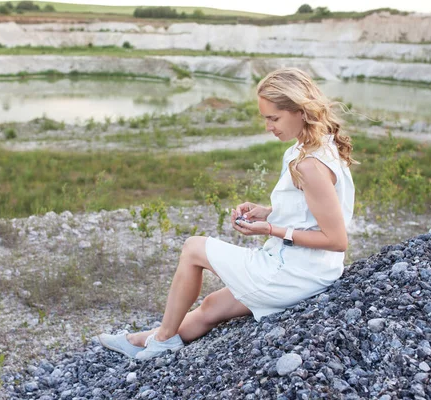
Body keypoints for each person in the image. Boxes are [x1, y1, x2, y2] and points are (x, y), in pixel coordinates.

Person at [98, 67, 356, 360]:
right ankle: (140, 340)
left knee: (193, 248)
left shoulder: (309, 164)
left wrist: (272, 230)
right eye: (265, 118)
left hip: (294, 274)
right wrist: (268, 212)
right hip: (309, 271)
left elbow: (337, 239)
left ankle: (165, 339)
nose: (268, 126)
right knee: (211, 306)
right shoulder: (315, 145)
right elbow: (312, 209)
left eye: (273, 118)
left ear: (300, 111)